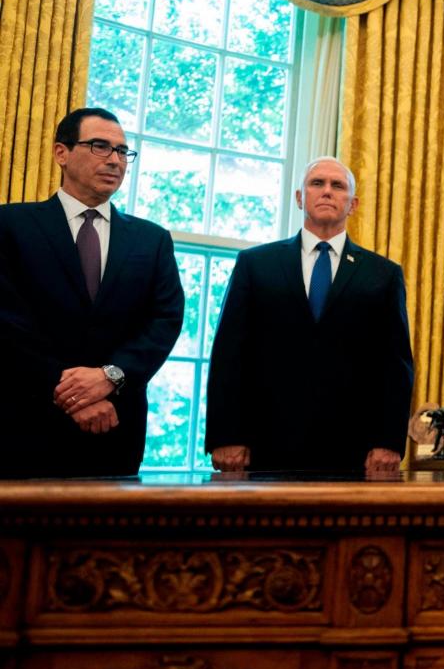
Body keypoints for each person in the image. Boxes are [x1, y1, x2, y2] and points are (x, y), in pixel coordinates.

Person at [0, 107, 184, 477]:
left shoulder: (152, 240)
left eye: (122, 151)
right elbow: (7, 321)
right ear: (61, 153)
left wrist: (110, 376)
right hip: (24, 426)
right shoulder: (10, 224)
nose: (115, 160)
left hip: (116, 429)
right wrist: (69, 392)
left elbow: (164, 322)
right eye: (100, 146)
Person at [205, 157, 414, 473]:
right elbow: (229, 354)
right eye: (317, 183)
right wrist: (226, 434)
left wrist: (389, 440)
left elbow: (395, 364)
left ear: (352, 204)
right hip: (265, 444)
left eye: (338, 186)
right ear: (300, 197)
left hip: (354, 450)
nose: (327, 191)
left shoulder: (383, 275)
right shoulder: (256, 264)